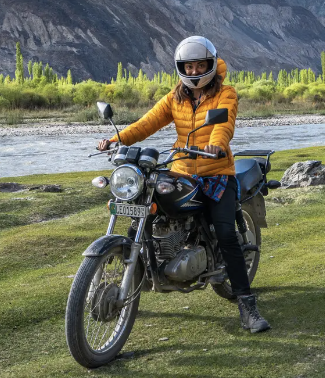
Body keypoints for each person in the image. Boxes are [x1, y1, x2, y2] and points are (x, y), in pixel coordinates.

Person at [95, 36, 271, 333]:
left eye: (199, 65)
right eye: (188, 66)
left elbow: (223, 126)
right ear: (180, 68)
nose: (193, 72)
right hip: (183, 170)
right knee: (145, 212)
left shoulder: (225, 94)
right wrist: (116, 139)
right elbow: (147, 122)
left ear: (211, 65)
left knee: (227, 233)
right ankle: (135, 283)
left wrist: (216, 145)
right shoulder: (175, 97)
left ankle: (247, 305)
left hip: (217, 172)